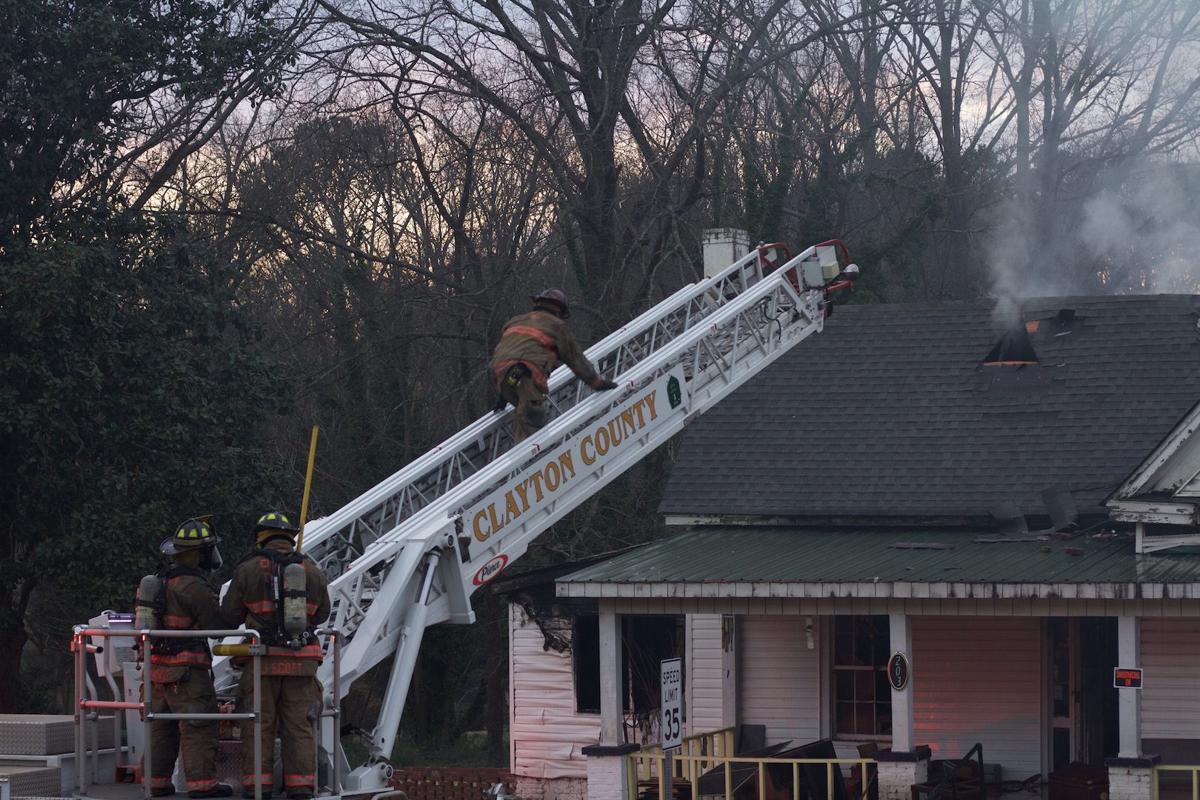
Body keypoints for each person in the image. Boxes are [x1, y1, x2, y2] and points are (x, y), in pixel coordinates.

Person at [221, 512, 330, 800]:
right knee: (299, 727)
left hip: (261, 662)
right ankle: (301, 787)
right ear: (289, 537)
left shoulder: (247, 569)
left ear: (261, 536)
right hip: (301, 663)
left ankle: (260, 787)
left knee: (258, 725)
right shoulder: (311, 569)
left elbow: (229, 616)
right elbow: (323, 613)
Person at [144, 518, 234, 798]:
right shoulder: (194, 586)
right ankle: (202, 785)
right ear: (198, 553)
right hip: (187, 673)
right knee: (198, 725)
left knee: (161, 728)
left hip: (157, 670)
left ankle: (155, 783)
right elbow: (217, 627)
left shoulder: (158, 581)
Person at [489, 288, 618, 442]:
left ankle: (520, 460)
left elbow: (508, 352)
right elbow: (576, 361)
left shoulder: (515, 321)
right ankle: (533, 462)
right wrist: (598, 383)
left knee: (522, 417)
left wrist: (503, 394)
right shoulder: (556, 326)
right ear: (559, 310)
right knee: (533, 423)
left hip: (499, 375)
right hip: (525, 374)